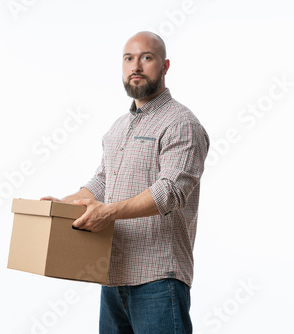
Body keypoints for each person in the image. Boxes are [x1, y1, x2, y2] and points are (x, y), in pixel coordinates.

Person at [41, 31, 209, 333]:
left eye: (147, 57)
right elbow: (103, 182)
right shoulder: (119, 128)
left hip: (159, 279)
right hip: (113, 276)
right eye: (128, 58)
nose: (136, 66)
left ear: (165, 65)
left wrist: (109, 212)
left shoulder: (182, 123)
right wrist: (62, 206)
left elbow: (170, 191)